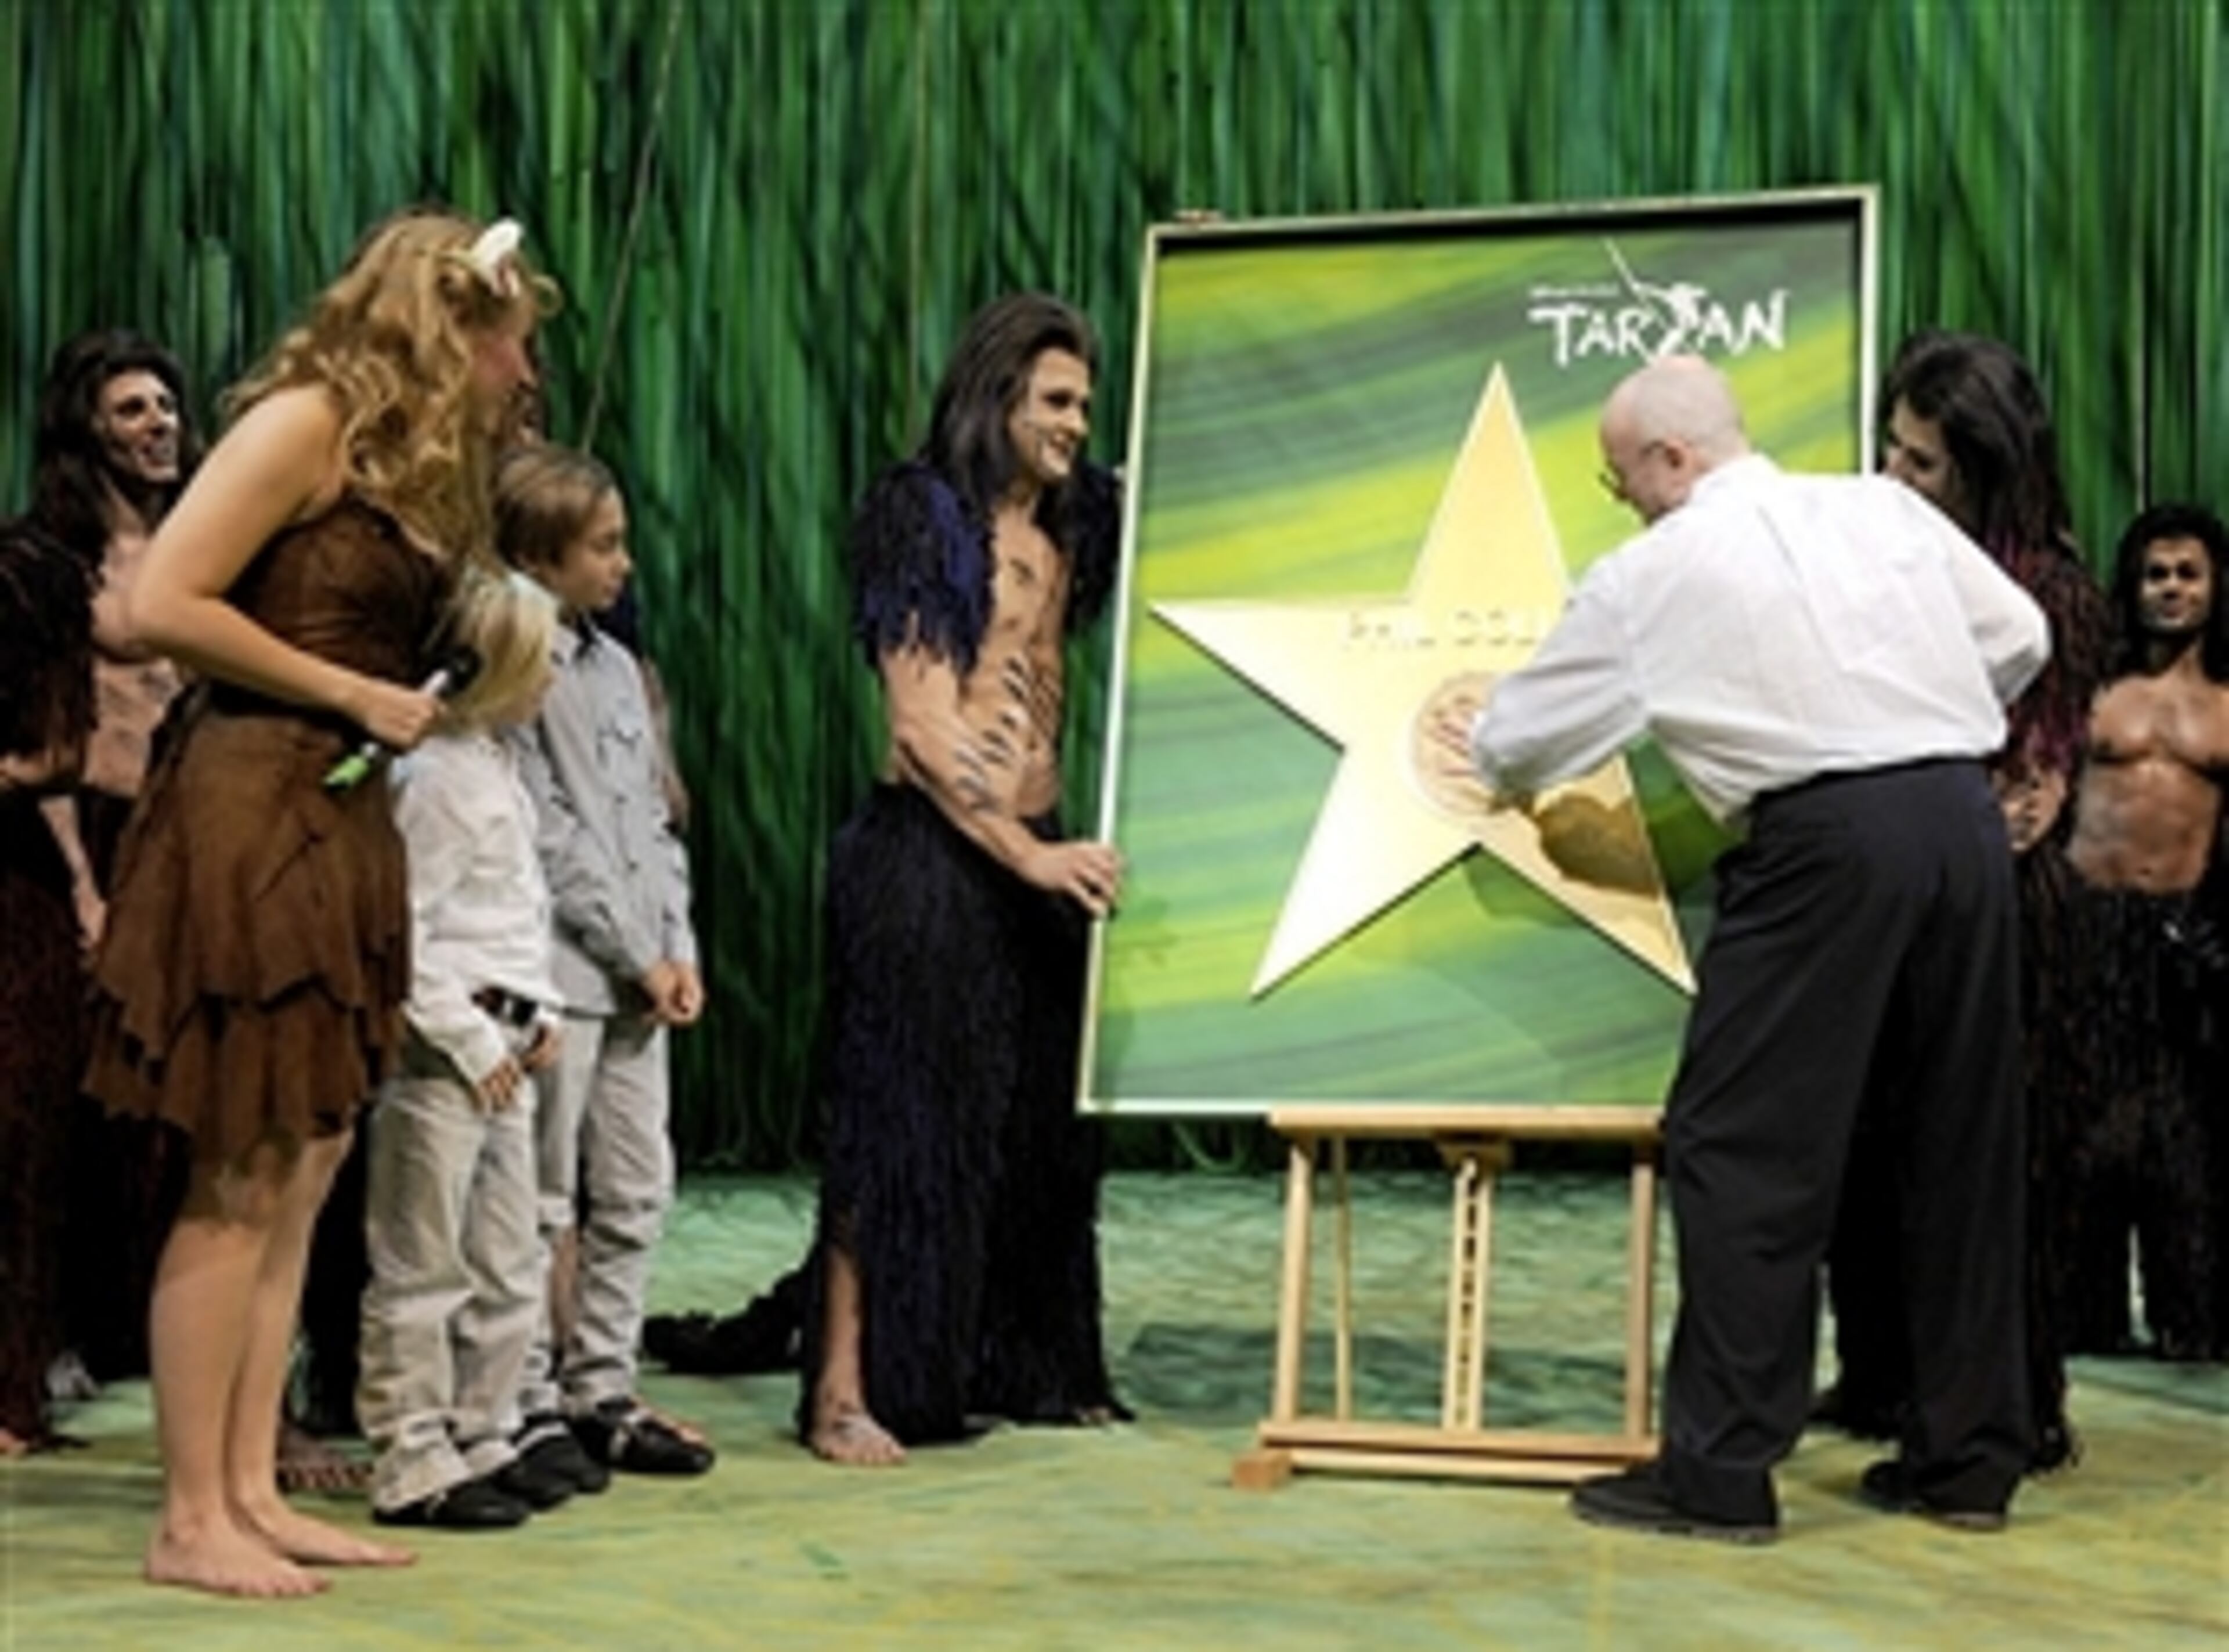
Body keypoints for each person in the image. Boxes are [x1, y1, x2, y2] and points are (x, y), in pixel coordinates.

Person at [1433, 355, 2047, 1539]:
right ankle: (1968, 1463)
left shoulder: (1651, 572)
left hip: (1822, 844)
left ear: (1673, 460)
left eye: (1623, 482)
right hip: (1961, 828)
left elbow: (1518, 745)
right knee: (1960, 1140)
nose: (1625, 503)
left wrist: (1486, 735)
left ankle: (1717, 1474)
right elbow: (2018, 637)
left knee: (1742, 1148)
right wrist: (1903, 707)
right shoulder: (1880, 507)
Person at [81, 208, 549, 1597]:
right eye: (511, 345)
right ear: (447, 325)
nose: (522, 376)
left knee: (301, 1171)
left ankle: (246, 1489)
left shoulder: (397, 463)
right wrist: (352, 691)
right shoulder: (302, 420)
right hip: (252, 806)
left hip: (339, 818)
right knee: (236, 1172)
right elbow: (162, 600)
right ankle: (187, 1519)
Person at [798, 291, 1127, 1467]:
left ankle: (1027, 1364)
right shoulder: (923, 515)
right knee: (894, 1132)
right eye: (1055, 400)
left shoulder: (1077, 523)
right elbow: (926, 729)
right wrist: (1029, 852)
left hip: (1040, 864)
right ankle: (843, 1390)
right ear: (997, 398)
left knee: (1041, 1131)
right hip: (929, 863)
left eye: (1085, 403)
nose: (1075, 423)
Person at [1818, 330, 2115, 1469]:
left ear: (1988, 468)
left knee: (2001, 1169)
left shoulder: (2052, 594)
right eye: (1890, 452)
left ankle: (2016, 1402)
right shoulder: (1884, 565)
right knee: (1874, 1146)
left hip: (2015, 919)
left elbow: (2026, 795)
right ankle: (1881, 1373)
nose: (1895, 482)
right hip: (1915, 892)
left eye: (1924, 465)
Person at [497, 444, 713, 1482]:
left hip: (639, 981)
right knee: (543, 1199)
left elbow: (652, 822)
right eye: (605, 545)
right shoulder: (518, 667)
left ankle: (603, 1387)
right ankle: (527, 1396)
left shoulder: (619, 667)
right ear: (541, 557)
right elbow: (550, 835)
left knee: (635, 1187)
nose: (625, 563)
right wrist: (632, 951)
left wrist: (676, 947)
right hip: (565, 978)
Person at [357, 568, 577, 1530]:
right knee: (424, 1255)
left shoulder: (495, 765)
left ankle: (482, 1426)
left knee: (506, 1251)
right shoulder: (435, 779)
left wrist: (543, 1012)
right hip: (447, 1054)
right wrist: (461, 1031)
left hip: (509, 1040)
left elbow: (516, 915)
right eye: (540, 666)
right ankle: (410, 1449)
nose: (552, 685)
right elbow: (408, 931)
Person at [23, 331, 203, 1405]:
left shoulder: (204, 545)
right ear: (85, 429)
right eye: (131, 409)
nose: (156, 425)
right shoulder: (56, 560)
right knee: (70, 1091)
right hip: (87, 831)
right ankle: (47, 1332)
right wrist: (81, 885)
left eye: (165, 405)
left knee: (169, 1095)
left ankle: (146, 1320)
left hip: (187, 832)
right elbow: (43, 725)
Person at [2039, 504, 2229, 1363]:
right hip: (2087, 920)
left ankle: (2194, 1317)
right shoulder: (2096, 689)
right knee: (2085, 1126)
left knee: (2184, 1130)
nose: (2171, 589)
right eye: (2156, 574)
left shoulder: (2228, 701)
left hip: (2186, 932)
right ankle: (2083, 1316)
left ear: (2216, 585)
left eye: (2188, 573)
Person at [0, 522, 96, 1455]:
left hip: (16, 890)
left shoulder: (26, 576)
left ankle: (11, 1394)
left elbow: (63, 750)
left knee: (22, 1136)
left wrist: (81, 881)